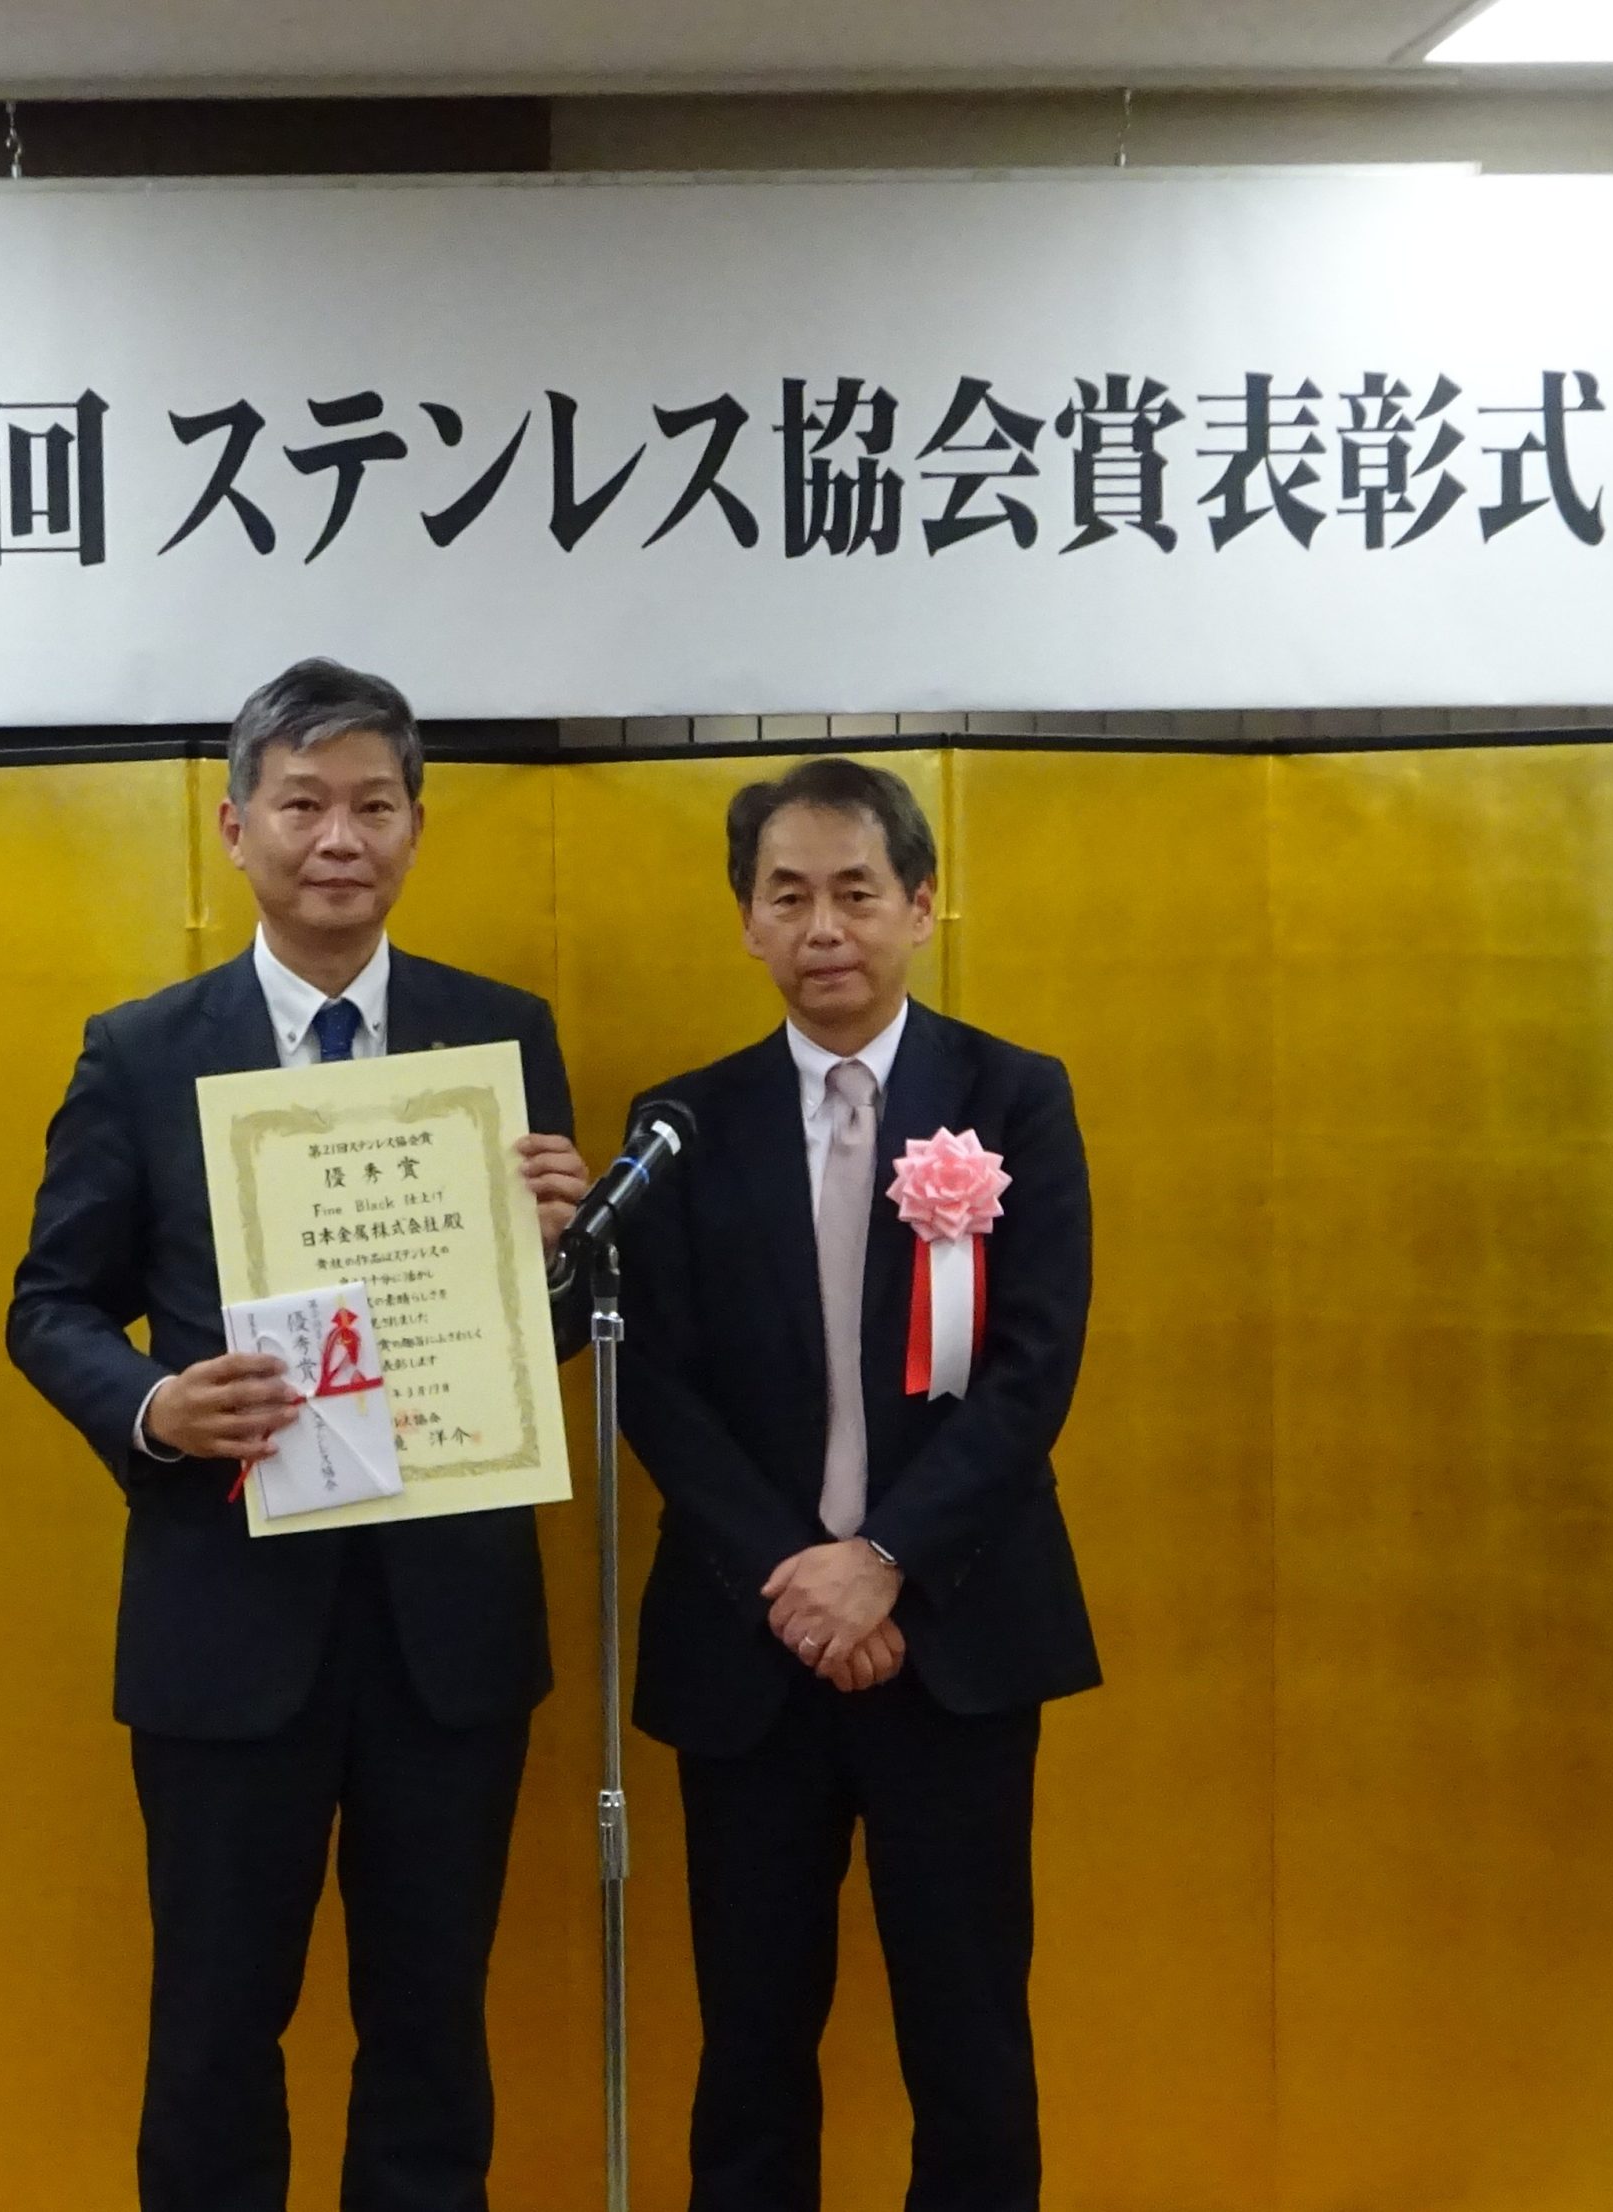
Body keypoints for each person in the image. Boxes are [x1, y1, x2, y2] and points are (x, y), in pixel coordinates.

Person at [5, 657, 591, 2212]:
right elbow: (49, 1304)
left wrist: (563, 1248)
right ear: (235, 825)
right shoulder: (141, 1050)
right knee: (214, 2028)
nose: (340, 838)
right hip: (227, 1622)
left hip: (446, 1632)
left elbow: (544, 1332)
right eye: (304, 805)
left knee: (432, 2030)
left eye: (374, 806)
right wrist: (152, 1405)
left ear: (416, 827)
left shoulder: (498, 1033)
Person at [616, 756, 1100, 2212]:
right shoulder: (680, 1124)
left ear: (922, 905)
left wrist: (884, 1561)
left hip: (955, 1636)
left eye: (856, 893)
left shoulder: (1013, 1096)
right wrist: (801, 1582)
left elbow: (1033, 1368)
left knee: (969, 2032)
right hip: (749, 1641)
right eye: (788, 897)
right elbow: (659, 1385)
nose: (823, 928)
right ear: (746, 922)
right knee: (751, 2040)